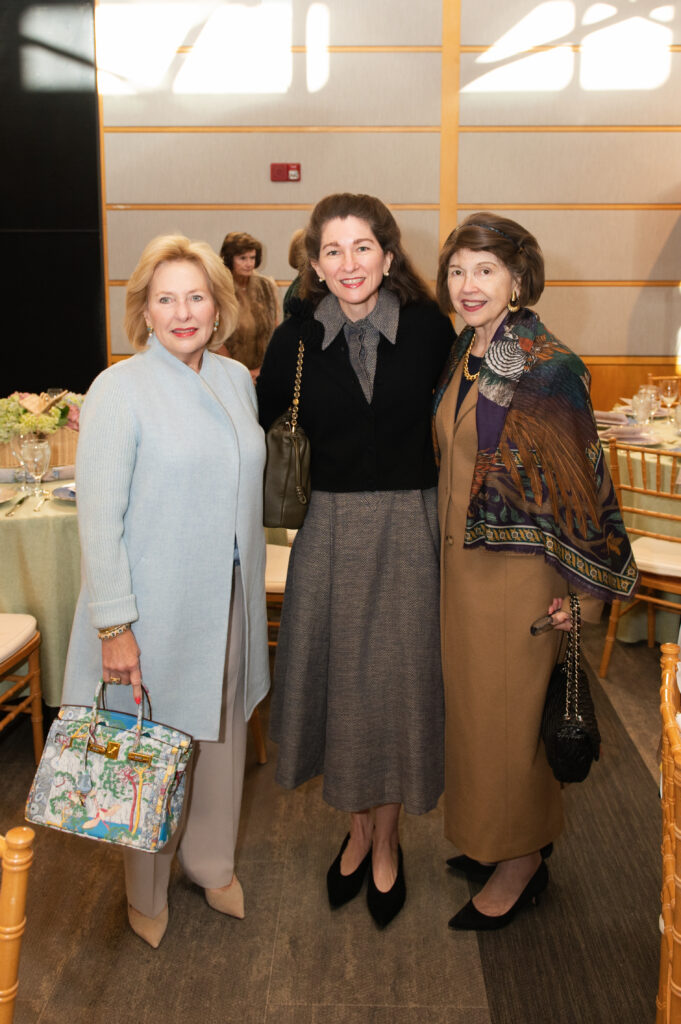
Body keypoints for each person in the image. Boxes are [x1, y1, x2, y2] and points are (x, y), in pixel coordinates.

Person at [61, 234, 270, 948]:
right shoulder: (118, 389)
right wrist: (113, 624)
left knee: (220, 739)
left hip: (231, 599)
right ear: (143, 312)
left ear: (219, 306)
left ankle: (211, 862)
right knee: (152, 747)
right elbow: (98, 517)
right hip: (153, 609)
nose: (183, 311)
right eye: (165, 298)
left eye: (197, 296)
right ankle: (144, 889)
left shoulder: (237, 380)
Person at [433, 212, 638, 931]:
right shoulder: (470, 351)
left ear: (518, 279)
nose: (467, 285)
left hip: (522, 575)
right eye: (457, 270)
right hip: (462, 570)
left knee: (509, 720)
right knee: (476, 717)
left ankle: (520, 862)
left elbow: (583, 482)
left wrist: (580, 597)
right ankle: (494, 839)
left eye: (484, 269)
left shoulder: (547, 363)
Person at [257, 192, 455, 928]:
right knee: (342, 687)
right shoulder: (295, 341)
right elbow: (262, 430)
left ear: (389, 254)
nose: (348, 263)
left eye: (362, 248)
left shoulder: (435, 332)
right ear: (313, 262)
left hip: (411, 527)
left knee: (398, 690)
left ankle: (386, 842)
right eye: (332, 251)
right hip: (331, 532)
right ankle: (357, 829)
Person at [217, 231, 280, 378]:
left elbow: (275, 329)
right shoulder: (220, 289)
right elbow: (215, 338)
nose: (249, 263)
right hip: (228, 372)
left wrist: (264, 368)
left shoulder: (266, 286)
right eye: (242, 258)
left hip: (264, 371)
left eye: (252, 258)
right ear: (229, 259)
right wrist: (239, 373)